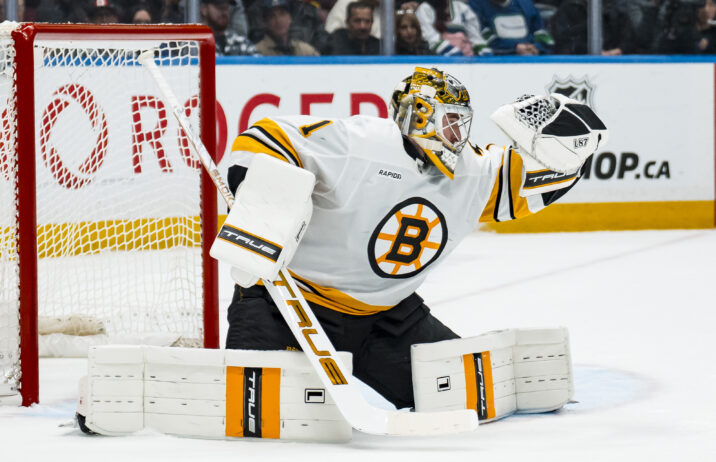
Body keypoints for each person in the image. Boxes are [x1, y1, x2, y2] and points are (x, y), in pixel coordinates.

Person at [215, 67, 607, 411]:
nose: (458, 135)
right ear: (419, 115)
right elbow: (265, 137)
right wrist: (262, 201)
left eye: (463, 123)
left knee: (469, 401)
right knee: (261, 416)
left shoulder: (473, 172)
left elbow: (542, 180)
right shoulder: (357, 144)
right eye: (450, 121)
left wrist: (565, 136)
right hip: (287, 306)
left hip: (388, 319)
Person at [550, 0, 636, 55]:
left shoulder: (616, 10)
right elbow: (565, 42)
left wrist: (618, 51)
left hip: (615, 63)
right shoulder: (568, 9)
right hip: (579, 65)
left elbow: (630, 40)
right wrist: (590, 52)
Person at [468, 0, 554, 54]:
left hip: (531, 60)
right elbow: (481, 38)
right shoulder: (476, 5)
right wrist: (514, 47)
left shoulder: (526, 4)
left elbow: (542, 34)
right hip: (496, 64)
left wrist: (537, 47)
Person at [415, 0, 492, 55]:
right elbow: (430, 38)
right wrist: (452, 52)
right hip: (437, 60)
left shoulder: (463, 8)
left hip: (466, 59)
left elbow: (475, 37)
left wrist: (484, 52)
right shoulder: (425, 8)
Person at [254, 0, 320, 55]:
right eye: (272, 16)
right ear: (265, 22)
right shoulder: (257, 52)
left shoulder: (306, 51)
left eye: (282, 14)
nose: (278, 20)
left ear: (290, 18)